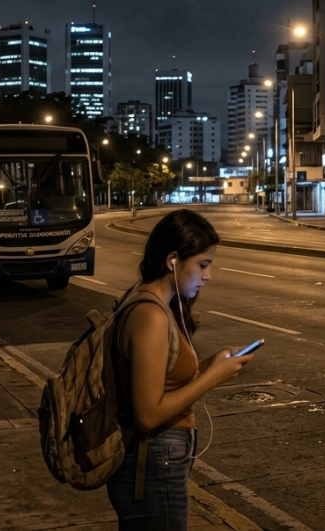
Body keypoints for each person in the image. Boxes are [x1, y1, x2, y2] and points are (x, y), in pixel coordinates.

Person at [107, 209, 254, 529]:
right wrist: (215, 377)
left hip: (159, 460)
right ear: (173, 260)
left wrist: (209, 365)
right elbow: (148, 414)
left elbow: (162, 379)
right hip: (152, 462)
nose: (208, 275)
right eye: (202, 264)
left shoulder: (157, 306)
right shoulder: (150, 315)